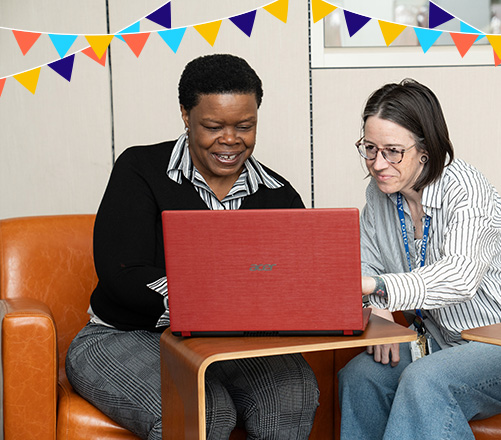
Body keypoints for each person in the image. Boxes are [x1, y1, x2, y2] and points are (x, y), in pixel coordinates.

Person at [66, 54, 319, 440]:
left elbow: (297, 281)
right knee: (202, 408)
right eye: (214, 126)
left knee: (293, 392)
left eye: (245, 126)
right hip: (124, 336)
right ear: (186, 114)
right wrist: (212, 299)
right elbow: (122, 274)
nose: (231, 139)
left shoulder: (278, 194)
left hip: (227, 347)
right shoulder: (139, 169)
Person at [338, 79, 501, 440]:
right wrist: (377, 313)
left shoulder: (467, 189)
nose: (378, 163)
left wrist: (378, 287)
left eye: (392, 151)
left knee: (427, 381)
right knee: (360, 377)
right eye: (369, 148)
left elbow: (460, 276)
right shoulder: (379, 196)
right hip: (445, 342)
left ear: (424, 149)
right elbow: (366, 263)